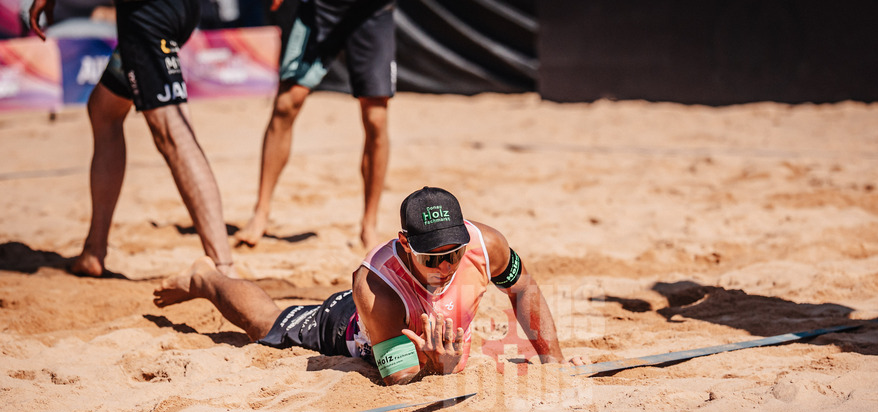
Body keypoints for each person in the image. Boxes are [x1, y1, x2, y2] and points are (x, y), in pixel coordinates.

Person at [154, 187, 589, 384]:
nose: (445, 265)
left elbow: (523, 288)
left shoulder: (486, 244)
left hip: (427, 332)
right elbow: (399, 377)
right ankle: (206, 277)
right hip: (351, 326)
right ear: (405, 243)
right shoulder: (374, 285)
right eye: (431, 257)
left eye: (453, 254)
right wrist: (438, 367)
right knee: (267, 324)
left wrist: (552, 360)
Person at [28, 0, 237, 278]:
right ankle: (94, 250)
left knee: (173, 135)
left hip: (148, 14)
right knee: (104, 110)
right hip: (178, 10)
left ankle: (224, 268)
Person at [235, 0, 396, 250]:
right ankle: (260, 213)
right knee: (287, 103)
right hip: (322, 7)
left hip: (373, 10)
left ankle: (369, 225)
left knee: (376, 117)